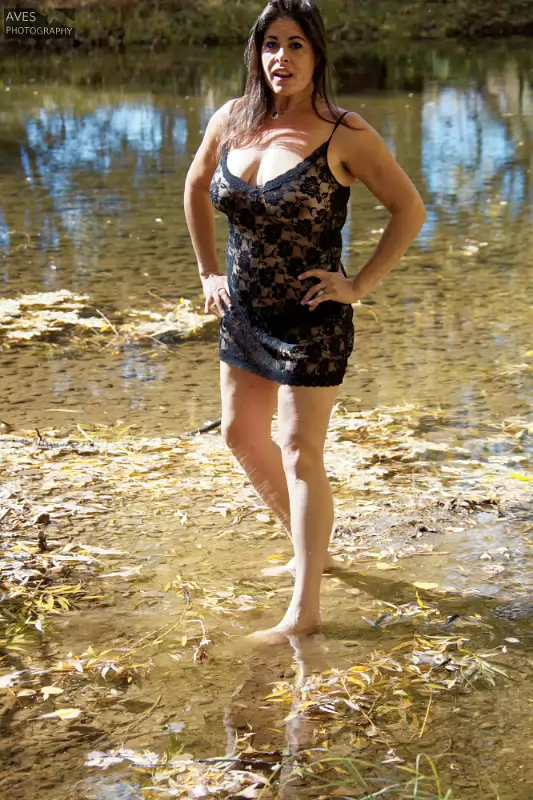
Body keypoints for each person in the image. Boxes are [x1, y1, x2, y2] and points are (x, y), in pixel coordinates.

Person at [184, 0, 427, 645]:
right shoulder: (232, 120)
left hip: (312, 317)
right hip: (243, 312)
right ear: (256, 52)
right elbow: (196, 185)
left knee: (299, 450)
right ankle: (312, 549)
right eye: (271, 44)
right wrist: (208, 272)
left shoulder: (345, 133)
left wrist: (359, 285)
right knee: (240, 434)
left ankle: (305, 612)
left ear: (317, 54)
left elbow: (409, 209)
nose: (282, 57)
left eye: (296, 44)